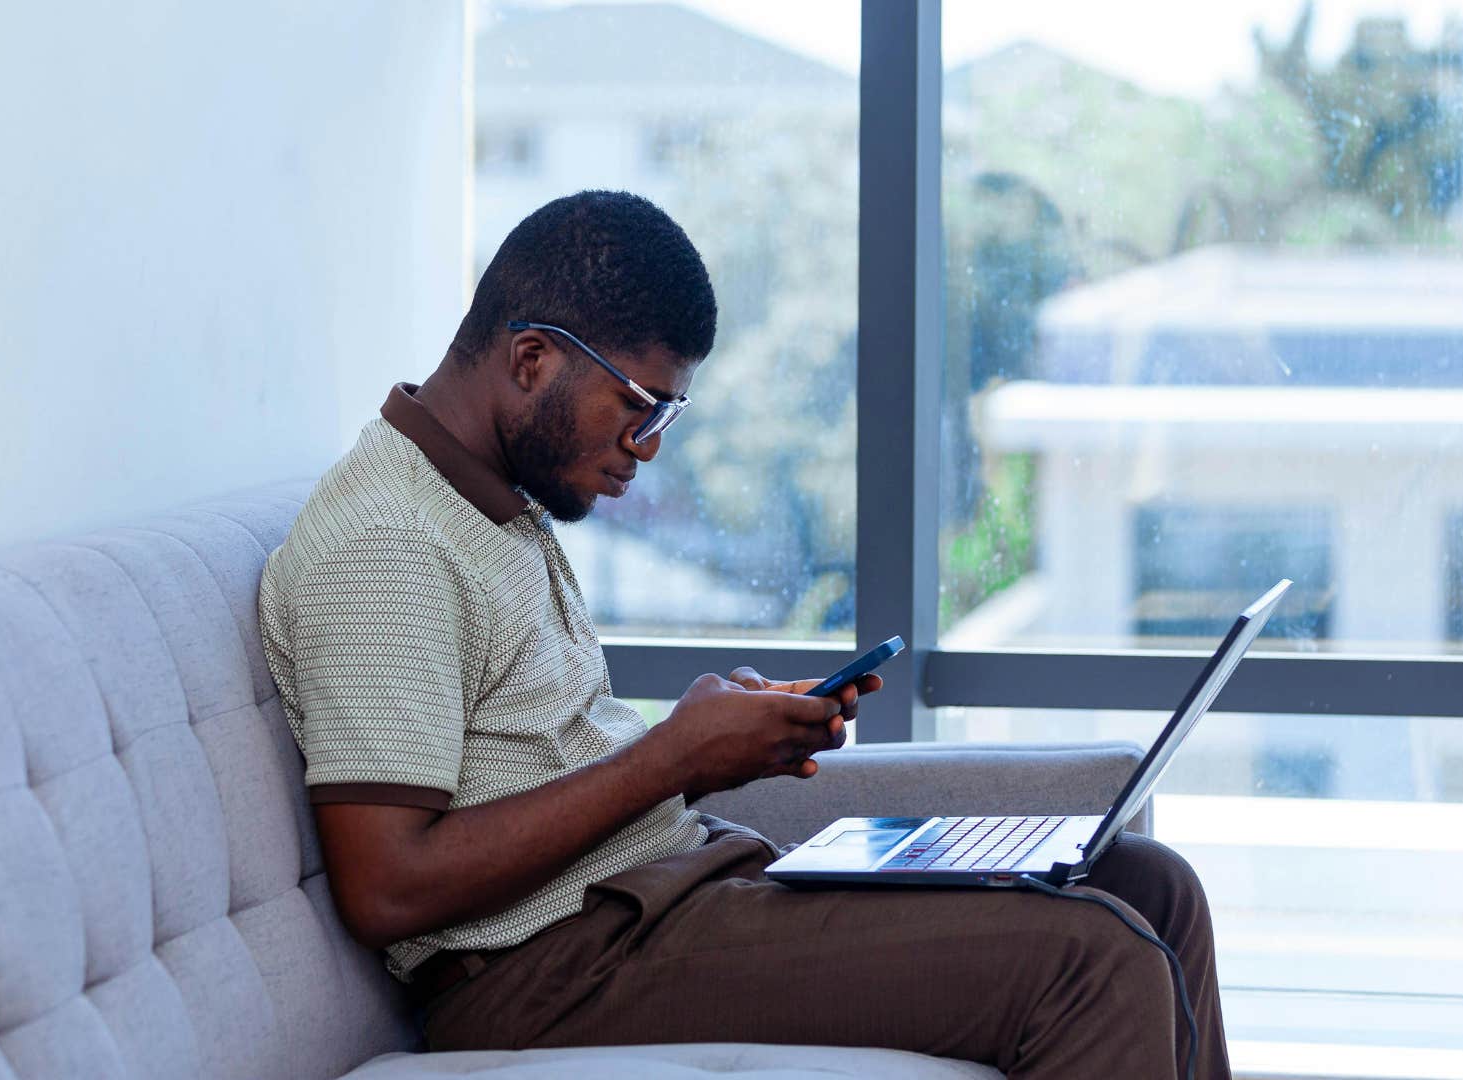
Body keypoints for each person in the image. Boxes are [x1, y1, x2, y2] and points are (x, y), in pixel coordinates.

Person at [258, 190, 1229, 1080]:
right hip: (553, 969)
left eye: (668, 412)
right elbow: (388, 888)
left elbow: (537, 757)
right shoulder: (388, 543)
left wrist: (705, 745)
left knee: (1149, 884)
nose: (649, 446)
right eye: (638, 406)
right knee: (1094, 962)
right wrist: (672, 758)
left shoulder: (493, 503)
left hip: (663, 893)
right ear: (531, 360)